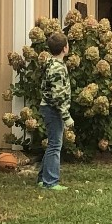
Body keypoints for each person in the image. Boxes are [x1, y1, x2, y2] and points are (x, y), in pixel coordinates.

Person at [38, 31, 73, 191]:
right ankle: (50, 182)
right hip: (53, 109)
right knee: (55, 145)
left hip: (49, 107)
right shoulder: (57, 68)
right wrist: (67, 117)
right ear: (65, 48)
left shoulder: (51, 63)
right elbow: (58, 96)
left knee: (52, 143)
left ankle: (42, 178)